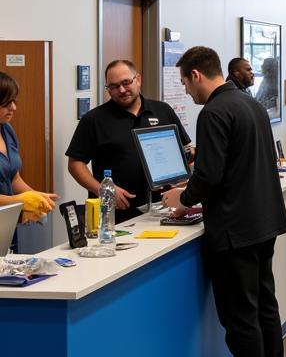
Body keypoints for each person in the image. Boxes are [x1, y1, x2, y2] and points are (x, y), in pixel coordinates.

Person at [163, 47, 286, 357]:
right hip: (263, 221)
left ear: (196, 75)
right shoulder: (247, 103)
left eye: (185, 83)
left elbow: (210, 175)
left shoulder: (214, 112)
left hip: (235, 229)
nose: (187, 92)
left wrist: (182, 199)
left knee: (240, 320)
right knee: (265, 307)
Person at [67, 59, 190, 223]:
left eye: (126, 82)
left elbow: (186, 153)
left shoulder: (162, 110)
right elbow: (75, 164)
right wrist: (104, 190)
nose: (122, 90)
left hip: (165, 209)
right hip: (116, 215)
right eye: (114, 86)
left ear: (138, 79)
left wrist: (183, 189)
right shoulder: (94, 119)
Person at [0, 72, 58, 250]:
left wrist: (36, 198)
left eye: (15, 101)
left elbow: (13, 177)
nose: (14, 108)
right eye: (6, 103)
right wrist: (19, 201)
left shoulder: (6, 130)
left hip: (6, 225)